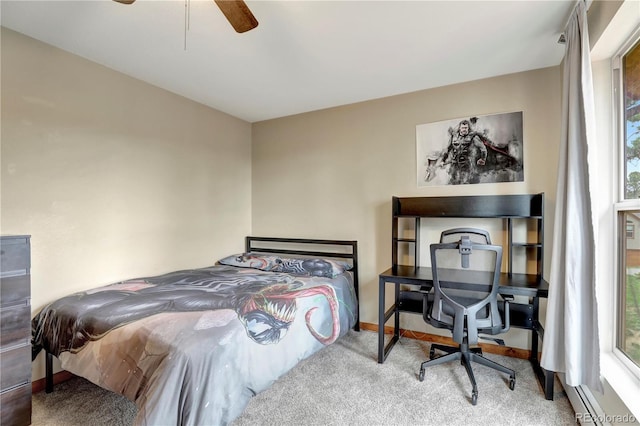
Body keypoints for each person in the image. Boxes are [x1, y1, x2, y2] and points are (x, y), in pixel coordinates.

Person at [441, 119, 487, 184]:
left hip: (467, 165)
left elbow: (483, 148)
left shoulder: (473, 137)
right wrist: (443, 160)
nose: (464, 129)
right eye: (463, 128)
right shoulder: (454, 137)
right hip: (455, 164)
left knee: (465, 183)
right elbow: (448, 149)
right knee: (452, 183)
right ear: (459, 128)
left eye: (466, 128)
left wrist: (483, 159)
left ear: (468, 128)